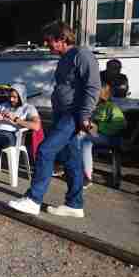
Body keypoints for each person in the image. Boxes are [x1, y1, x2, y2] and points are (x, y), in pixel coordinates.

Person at [9, 21, 100, 218]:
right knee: (71, 159)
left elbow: (93, 87)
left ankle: (33, 200)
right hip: (62, 113)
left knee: (45, 150)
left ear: (62, 38)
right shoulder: (65, 58)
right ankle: (74, 205)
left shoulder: (82, 55)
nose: (45, 44)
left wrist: (84, 115)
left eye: (48, 40)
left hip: (72, 114)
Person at [79, 80, 126, 189]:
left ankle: (86, 176)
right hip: (97, 134)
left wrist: (98, 127)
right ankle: (71, 167)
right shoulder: (94, 106)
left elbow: (120, 124)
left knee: (85, 140)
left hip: (111, 138)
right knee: (76, 136)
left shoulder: (111, 107)